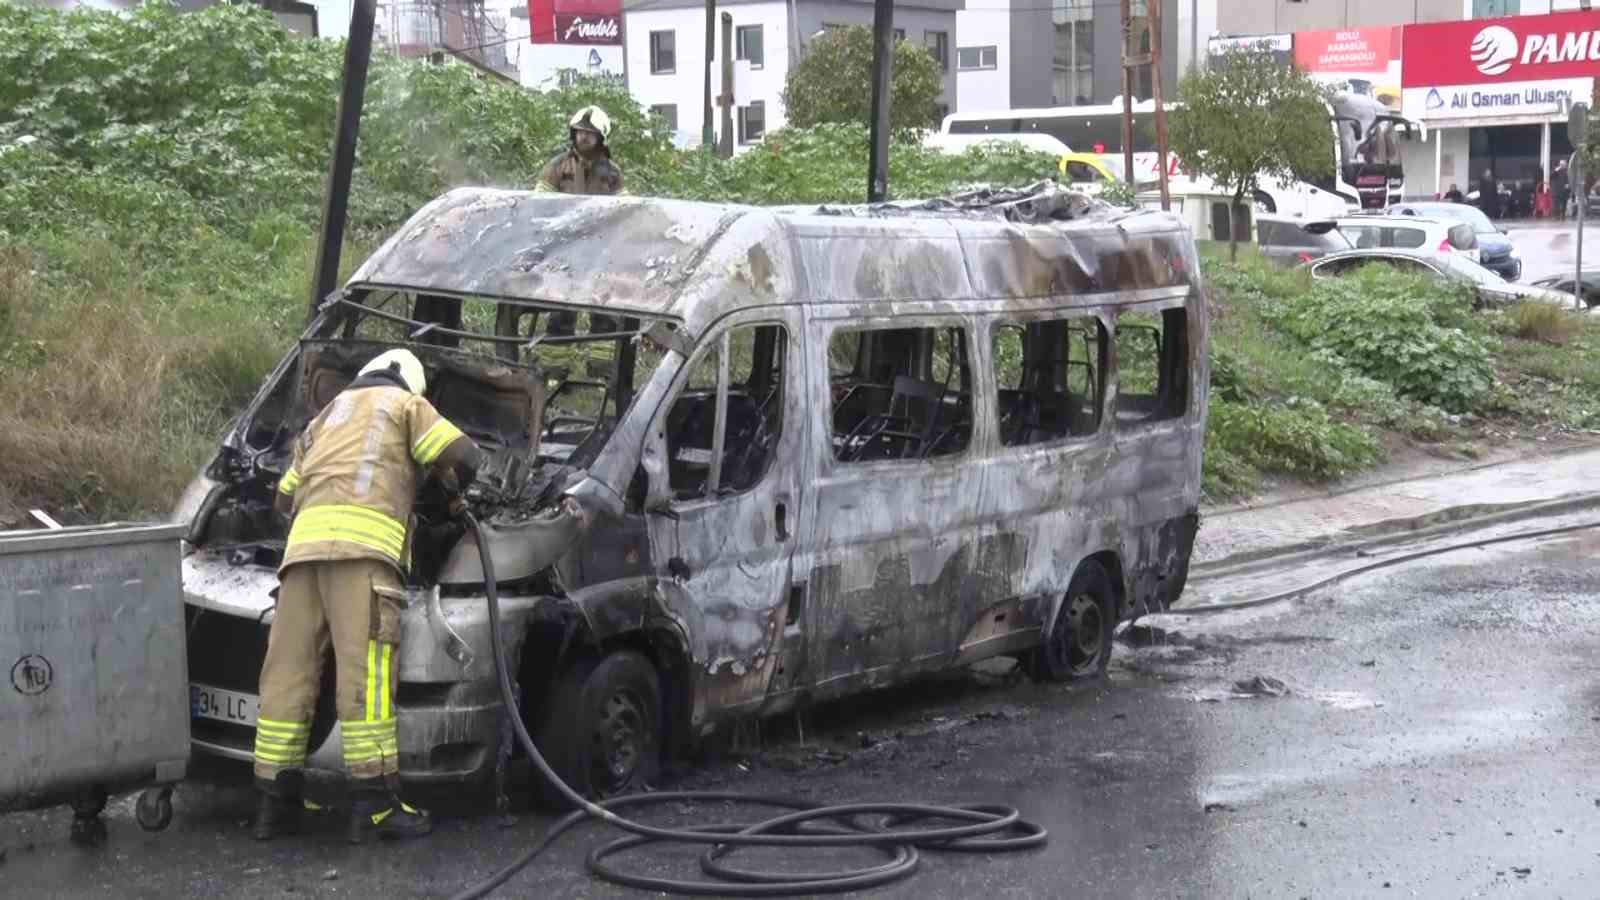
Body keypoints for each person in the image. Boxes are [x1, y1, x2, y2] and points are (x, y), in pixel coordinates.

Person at [254, 349, 481, 844]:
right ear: (410, 381)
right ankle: (374, 810)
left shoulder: (325, 415)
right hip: (363, 558)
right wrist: (441, 493)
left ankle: (275, 808)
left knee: (287, 678)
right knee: (366, 681)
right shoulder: (403, 405)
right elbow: (464, 456)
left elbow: (282, 498)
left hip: (300, 560)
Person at [535, 105, 624, 341]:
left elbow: (625, 209)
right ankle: (554, 369)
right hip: (564, 249)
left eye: (590, 132)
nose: (583, 136)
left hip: (601, 249)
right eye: (579, 131)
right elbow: (537, 205)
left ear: (600, 137)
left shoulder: (613, 173)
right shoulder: (557, 166)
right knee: (561, 309)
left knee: (603, 311)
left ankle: (601, 369)